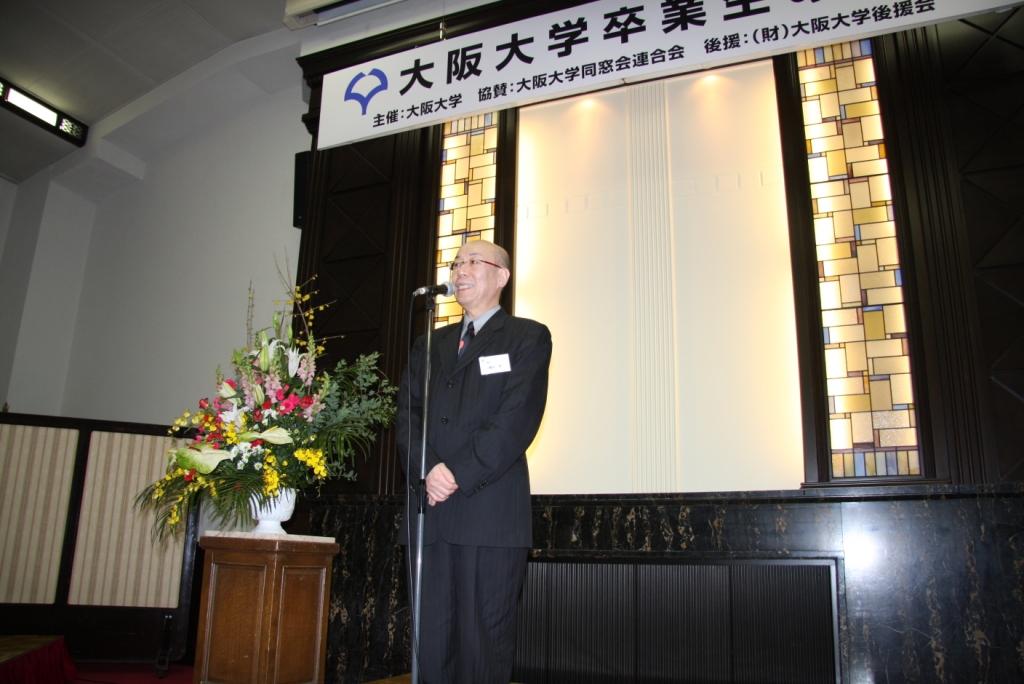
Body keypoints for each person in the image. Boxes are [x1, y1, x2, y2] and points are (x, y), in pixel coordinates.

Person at [398, 239, 552, 684]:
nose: (460, 270)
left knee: (482, 646)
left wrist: (456, 472)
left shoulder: (527, 337)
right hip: (430, 515)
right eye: (455, 263)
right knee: (431, 645)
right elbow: (407, 415)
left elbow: (516, 419)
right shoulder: (430, 344)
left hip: (489, 517)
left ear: (501, 276)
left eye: (472, 262)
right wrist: (428, 468)